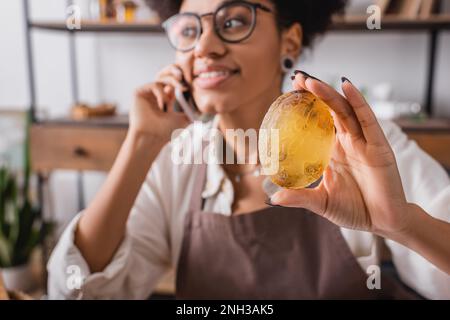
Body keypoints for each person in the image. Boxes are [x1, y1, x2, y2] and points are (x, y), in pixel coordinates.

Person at [47, 0, 450, 299]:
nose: (204, 47)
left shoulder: (360, 147)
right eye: (189, 31)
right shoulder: (178, 159)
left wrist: (403, 224)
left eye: (234, 21)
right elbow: (75, 290)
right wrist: (140, 142)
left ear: (288, 39)